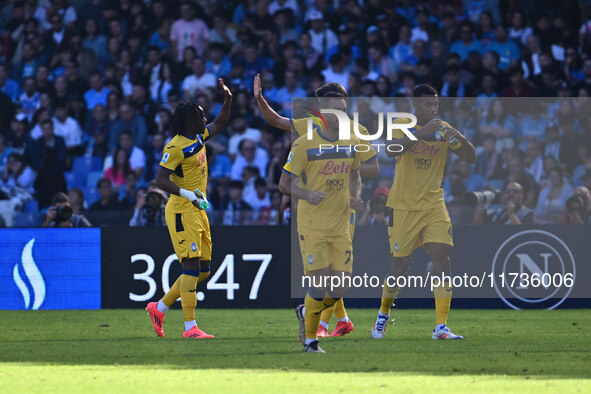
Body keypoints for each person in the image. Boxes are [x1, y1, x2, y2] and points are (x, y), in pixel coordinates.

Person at [254, 76, 379, 341]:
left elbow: (371, 168)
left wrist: (343, 167)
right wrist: (260, 100)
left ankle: (325, 316)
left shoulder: (356, 131)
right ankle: (328, 322)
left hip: (344, 210)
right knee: (324, 277)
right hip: (314, 213)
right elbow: (276, 120)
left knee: (338, 277)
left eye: (344, 109)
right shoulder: (310, 128)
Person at [372, 84, 476, 341]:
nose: (433, 109)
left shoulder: (443, 129)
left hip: (433, 205)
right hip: (403, 206)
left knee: (443, 258)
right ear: (415, 105)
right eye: (428, 105)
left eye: (436, 105)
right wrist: (420, 133)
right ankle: (382, 316)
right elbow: (390, 151)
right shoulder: (401, 125)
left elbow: (471, 157)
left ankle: (441, 326)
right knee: (399, 266)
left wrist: (460, 138)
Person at [146, 78, 232, 339]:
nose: (205, 119)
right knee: (192, 267)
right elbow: (161, 180)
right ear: (188, 121)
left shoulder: (198, 136)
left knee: (203, 270)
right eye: (201, 116)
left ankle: (159, 307)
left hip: (198, 210)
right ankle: (189, 327)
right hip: (182, 210)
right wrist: (188, 195)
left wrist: (228, 100)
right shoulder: (174, 146)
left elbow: (220, 123)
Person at [473, 182, 538, 225]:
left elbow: (525, 236)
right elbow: (478, 225)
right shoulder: (499, 212)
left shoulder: (528, 215)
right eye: (508, 191)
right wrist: (483, 203)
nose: (511, 194)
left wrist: (511, 215)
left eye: (515, 192)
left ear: (522, 195)